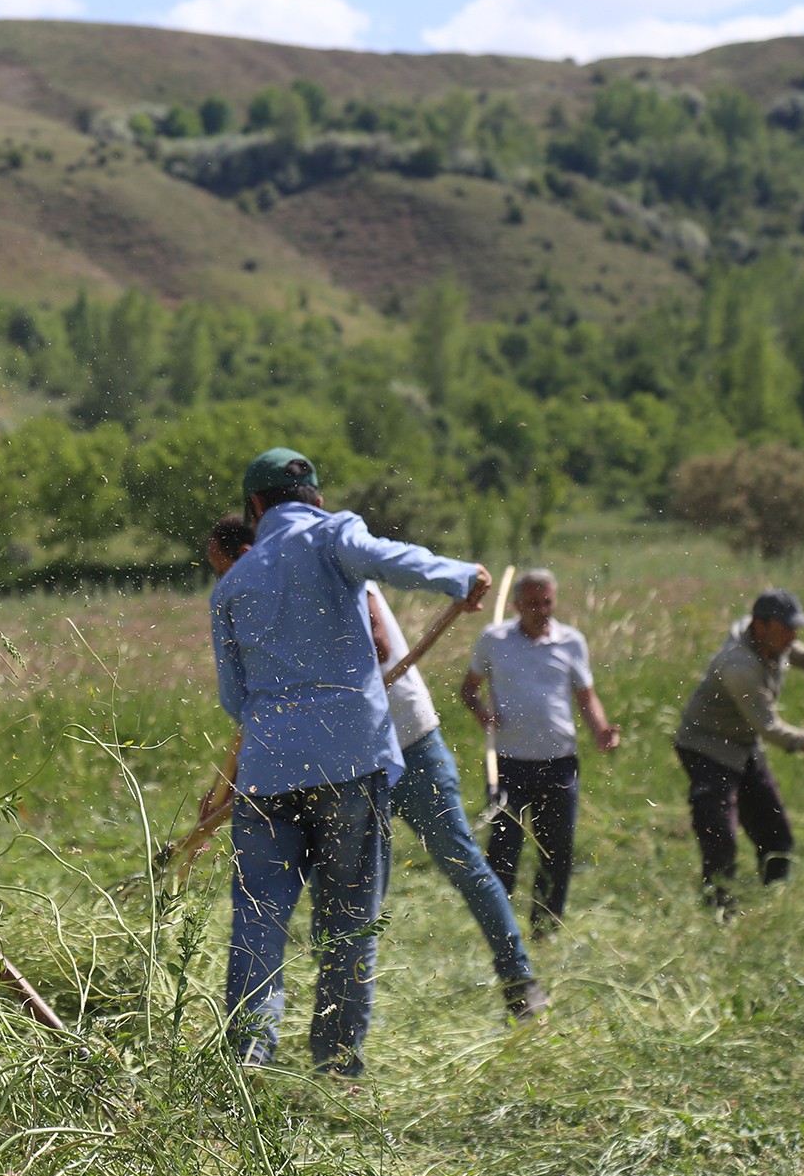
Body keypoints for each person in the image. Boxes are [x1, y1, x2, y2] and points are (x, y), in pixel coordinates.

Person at [211, 449, 489, 1076]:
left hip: (267, 772)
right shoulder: (336, 536)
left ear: (255, 508)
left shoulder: (231, 587)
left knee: (259, 920)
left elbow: (235, 699)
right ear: (314, 497)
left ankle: (248, 1062)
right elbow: (395, 559)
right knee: (348, 919)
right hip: (348, 765)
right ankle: (337, 1066)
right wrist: (460, 577)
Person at [204, 518, 547, 1022]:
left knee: (458, 859)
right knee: (336, 895)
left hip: (407, 739)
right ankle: (337, 1025)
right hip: (344, 759)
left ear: (252, 550)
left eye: (228, 566)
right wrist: (225, 785)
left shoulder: (327, 567)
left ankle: (518, 978)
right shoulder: (263, 593)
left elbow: (381, 649)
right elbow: (257, 706)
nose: (234, 579)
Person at [674, 588, 804, 909]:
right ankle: (719, 916)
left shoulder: (773, 641)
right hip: (706, 747)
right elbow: (771, 728)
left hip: (744, 745)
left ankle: (773, 907)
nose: (792, 636)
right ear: (760, 626)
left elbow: (794, 651)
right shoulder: (739, 666)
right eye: (785, 629)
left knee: (777, 838)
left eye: (795, 629)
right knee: (720, 840)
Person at [462, 569, 620, 936]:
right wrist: (482, 712)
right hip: (508, 764)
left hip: (560, 761)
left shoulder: (571, 642)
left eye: (547, 601)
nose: (542, 609)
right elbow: (468, 689)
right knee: (503, 849)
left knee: (557, 850)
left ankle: (545, 929)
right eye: (533, 603)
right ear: (516, 604)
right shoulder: (493, 640)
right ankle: (499, 931)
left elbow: (585, 695)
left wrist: (600, 730)